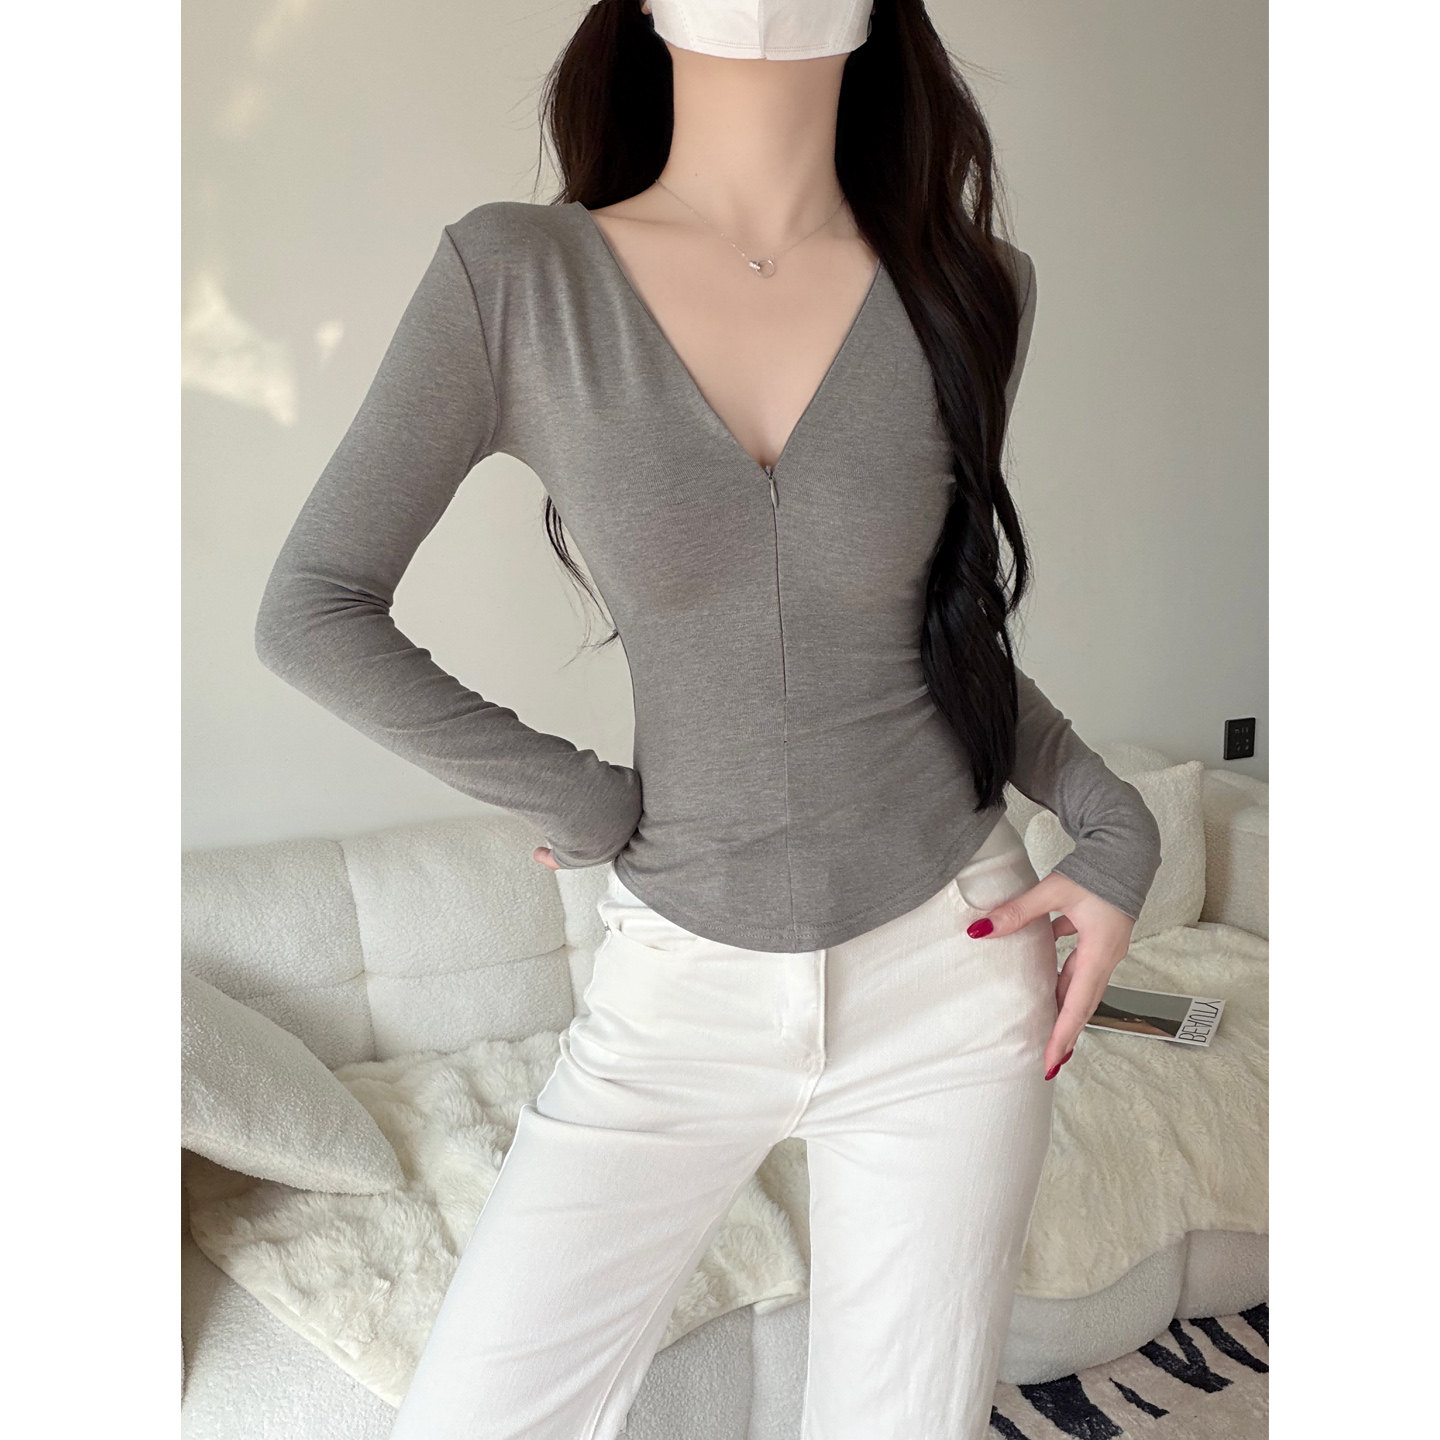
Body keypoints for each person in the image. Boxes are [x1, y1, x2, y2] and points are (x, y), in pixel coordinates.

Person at [253, 2, 1163, 1436]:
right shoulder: (518, 275)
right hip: (680, 983)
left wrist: (1116, 822)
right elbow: (312, 607)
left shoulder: (974, 287)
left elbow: (940, 643)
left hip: (957, 964)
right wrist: (579, 796)